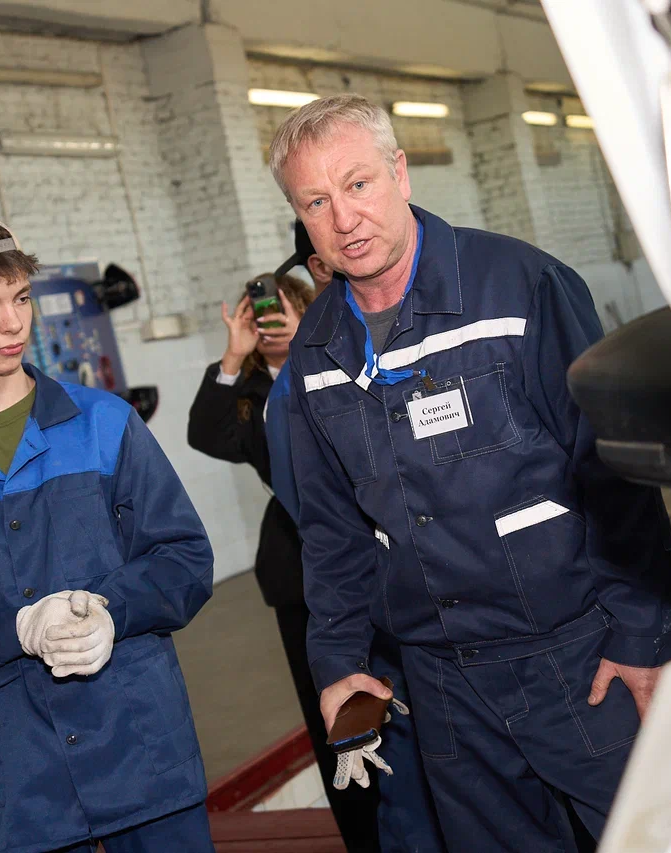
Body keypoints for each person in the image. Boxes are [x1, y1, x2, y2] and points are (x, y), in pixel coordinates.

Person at [270, 95, 671, 853]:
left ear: (399, 173)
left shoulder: (519, 288)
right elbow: (331, 532)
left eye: (358, 184)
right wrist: (339, 662)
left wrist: (642, 634)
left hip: (582, 658)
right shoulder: (316, 352)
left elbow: (612, 472)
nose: (345, 218)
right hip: (443, 686)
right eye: (316, 202)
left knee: (656, 838)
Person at [0, 214, 216, 853]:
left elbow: (183, 558)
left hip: (142, 759)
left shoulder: (104, 425)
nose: (13, 323)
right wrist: (16, 631)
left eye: (21, 298)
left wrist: (112, 611)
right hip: (18, 795)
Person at [187, 274, 394, 852]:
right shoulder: (251, 395)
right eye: (260, 317)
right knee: (332, 711)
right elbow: (204, 434)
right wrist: (233, 356)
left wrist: (310, 340)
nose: (270, 323)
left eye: (283, 311)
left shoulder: (341, 360)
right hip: (297, 569)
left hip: (373, 554)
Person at [265, 225, 447, 853]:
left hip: (458, 623)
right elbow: (325, 523)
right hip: (391, 627)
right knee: (419, 800)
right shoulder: (305, 374)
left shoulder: (436, 331)